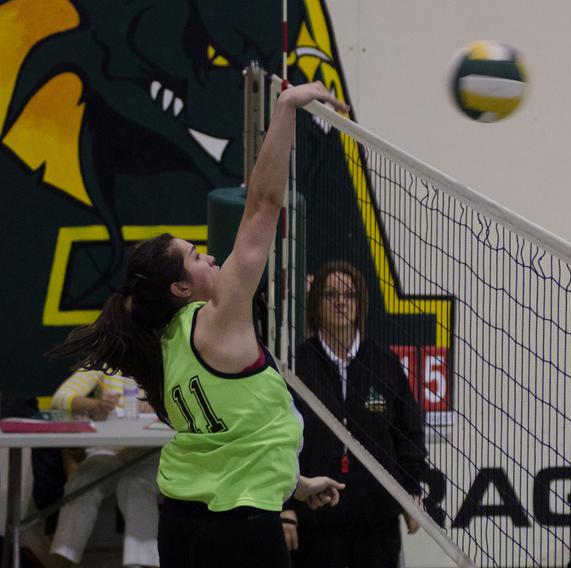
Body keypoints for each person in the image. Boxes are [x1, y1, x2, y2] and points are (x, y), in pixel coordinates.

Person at [47, 81, 349, 568]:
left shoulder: (155, 348)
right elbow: (263, 205)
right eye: (194, 255)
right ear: (180, 289)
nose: (209, 256)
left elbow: (231, 436)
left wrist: (297, 483)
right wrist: (287, 108)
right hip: (242, 531)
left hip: (183, 526)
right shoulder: (217, 316)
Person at [281, 261, 427, 568]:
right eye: (330, 294)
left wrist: (411, 491)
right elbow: (277, 441)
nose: (340, 302)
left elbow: (408, 432)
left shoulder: (384, 362)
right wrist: (285, 507)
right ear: (316, 303)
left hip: (376, 519)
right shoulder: (295, 365)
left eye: (349, 295)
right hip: (316, 520)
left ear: (360, 304)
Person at [49, 368, 160, 567]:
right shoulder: (104, 358)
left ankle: (142, 564)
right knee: (84, 479)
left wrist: (161, 407)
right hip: (108, 448)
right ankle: (62, 560)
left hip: (150, 451)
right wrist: (95, 405)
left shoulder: (166, 354)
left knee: (135, 483)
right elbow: (60, 398)